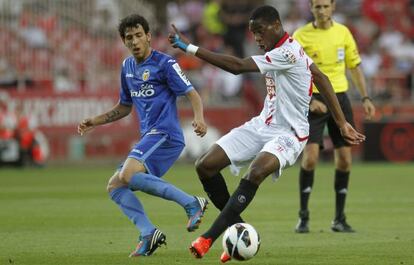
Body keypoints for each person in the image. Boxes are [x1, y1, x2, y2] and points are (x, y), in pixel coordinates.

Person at [168, 5, 365, 262]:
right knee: (205, 165)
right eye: (253, 34)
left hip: (290, 133)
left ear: (275, 25)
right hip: (262, 124)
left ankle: (208, 237)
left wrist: (189, 47)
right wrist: (340, 122)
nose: (257, 39)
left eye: (260, 32)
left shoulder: (287, 52)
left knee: (257, 171)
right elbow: (320, 77)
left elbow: (238, 66)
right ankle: (239, 230)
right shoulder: (284, 48)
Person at [77, 14, 209, 257]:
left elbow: (192, 93)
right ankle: (148, 233)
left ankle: (192, 203)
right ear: (124, 41)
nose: (135, 41)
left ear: (148, 36)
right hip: (149, 137)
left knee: (128, 174)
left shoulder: (165, 64)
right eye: (129, 38)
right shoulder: (127, 67)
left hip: (166, 134)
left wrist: (199, 118)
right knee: (116, 185)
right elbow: (125, 106)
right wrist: (94, 121)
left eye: (139, 35)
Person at [292, 0, 376, 233]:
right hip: (315, 100)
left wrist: (366, 97)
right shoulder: (301, 35)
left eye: (325, 6)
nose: (321, 11)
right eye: (317, 6)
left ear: (333, 7)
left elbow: (355, 67)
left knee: (345, 160)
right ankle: (303, 216)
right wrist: (308, 100)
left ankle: (339, 219)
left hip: (340, 99)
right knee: (310, 158)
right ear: (311, 8)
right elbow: (291, 72)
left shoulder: (343, 33)